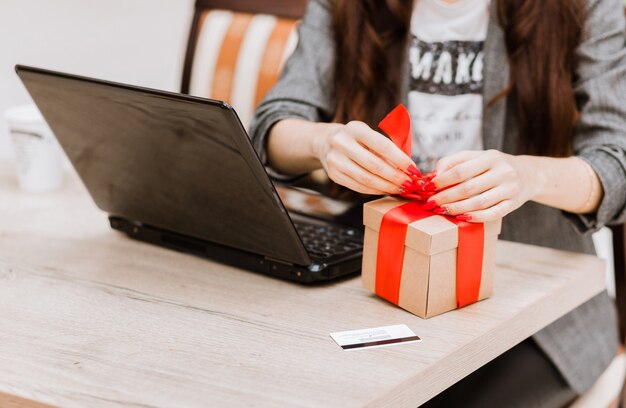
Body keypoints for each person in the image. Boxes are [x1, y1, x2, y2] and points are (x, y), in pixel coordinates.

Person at [250, 0, 626, 406]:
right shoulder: (346, 5)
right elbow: (273, 125)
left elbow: (616, 162)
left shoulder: (585, 6)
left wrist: (528, 176)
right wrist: (321, 143)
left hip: (535, 311)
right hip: (375, 279)